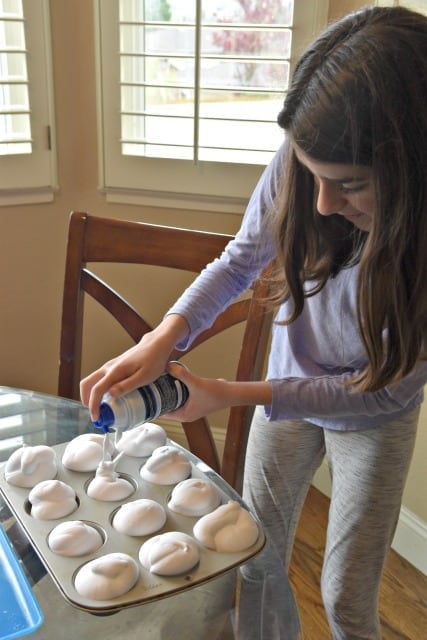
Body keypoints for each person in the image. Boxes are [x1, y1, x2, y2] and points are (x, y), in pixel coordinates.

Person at [80, 6, 427, 639]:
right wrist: (165, 337)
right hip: (289, 387)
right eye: (313, 177)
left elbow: (382, 387)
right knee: (255, 559)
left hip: (372, 417)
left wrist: (226, 396)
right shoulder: (304, 166)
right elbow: (239, 261)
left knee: (347, 597)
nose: (322, 202)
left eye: (349, 185)